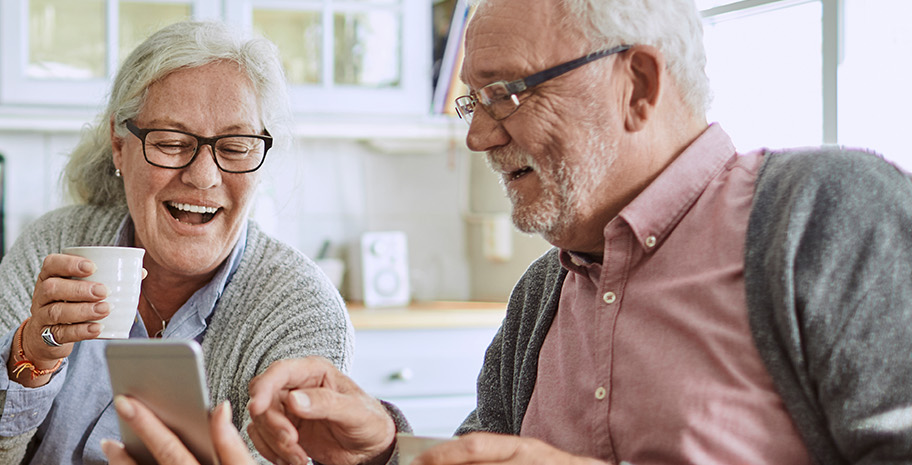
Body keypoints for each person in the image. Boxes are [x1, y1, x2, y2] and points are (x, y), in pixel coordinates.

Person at [102, 0, 912, 464]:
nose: (478, 136)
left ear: (637, 83)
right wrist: (385, 447)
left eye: (508, 94)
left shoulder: (826, 218)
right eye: (473, 102)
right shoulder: (541, 298)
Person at [0, 20, 356, 464]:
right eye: (171, 142)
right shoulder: (57, 243)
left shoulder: (300, 309)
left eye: (236, 147)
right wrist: (29, 357)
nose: (202, 177)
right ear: (120, 146)